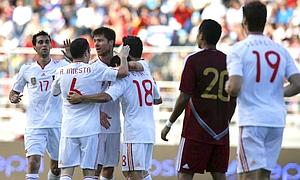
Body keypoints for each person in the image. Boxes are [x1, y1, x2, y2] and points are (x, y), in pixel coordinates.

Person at [67, 35, 162, 180]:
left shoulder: (125, 78)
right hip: (149, 131)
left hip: (134, 132)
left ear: (126, 52)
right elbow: (158, 99)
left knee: (133, 173)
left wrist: (82, 98)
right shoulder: (147, 71)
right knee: (140, 172)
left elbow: (106, 96)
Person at [225, 1, 300, 180]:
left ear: (244, 21)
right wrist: (274, 93)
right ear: (264, 21)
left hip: (253, 121)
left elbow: (234, 87)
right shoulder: (280, 49)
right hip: (276, 120)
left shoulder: (238, 49)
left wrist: (228, 86)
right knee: (264, 175)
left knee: (246, 174)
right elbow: (297, 83)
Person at [161, 19, 236, 180]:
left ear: (201, 36)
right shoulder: (229, 61)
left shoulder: (193, 60)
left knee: (185, 175)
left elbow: (184, 97)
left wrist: (169, 123)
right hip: (221, 131)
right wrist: (226, 121)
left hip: (196, 130)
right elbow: (233, 97)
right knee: (219, 175)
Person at [51, 37, 129, 180]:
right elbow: (123, 72)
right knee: (89, 173)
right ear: (87, 52)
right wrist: (123, 56)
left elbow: (55, 92)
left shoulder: (60, 71)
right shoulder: (95, 69)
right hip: (90, 129)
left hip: (69, 128)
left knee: (66, 173)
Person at [8, 31, 69, 180]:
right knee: (33, 162)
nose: (44, 45)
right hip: (35, 124)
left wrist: (71, 58)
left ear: (50, 45)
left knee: (56, 168)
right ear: (34, 47)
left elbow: (79, 72)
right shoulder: (26, 70)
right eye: (40, 42)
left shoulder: (62, 65)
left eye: (47, 42)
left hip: (57, 123)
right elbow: (13, 92)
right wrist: (14, 97)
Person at [91, 27, 145, 180]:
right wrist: (97, 112)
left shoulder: (123, 63)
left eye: (100, 40)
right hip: (96, 125)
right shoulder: (92, 67)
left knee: (108, 170)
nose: (96, 44)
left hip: (114, 125)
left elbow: (141, 71)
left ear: (111, 42)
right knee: (96, 169)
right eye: (95, 41)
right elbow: (82, 95)